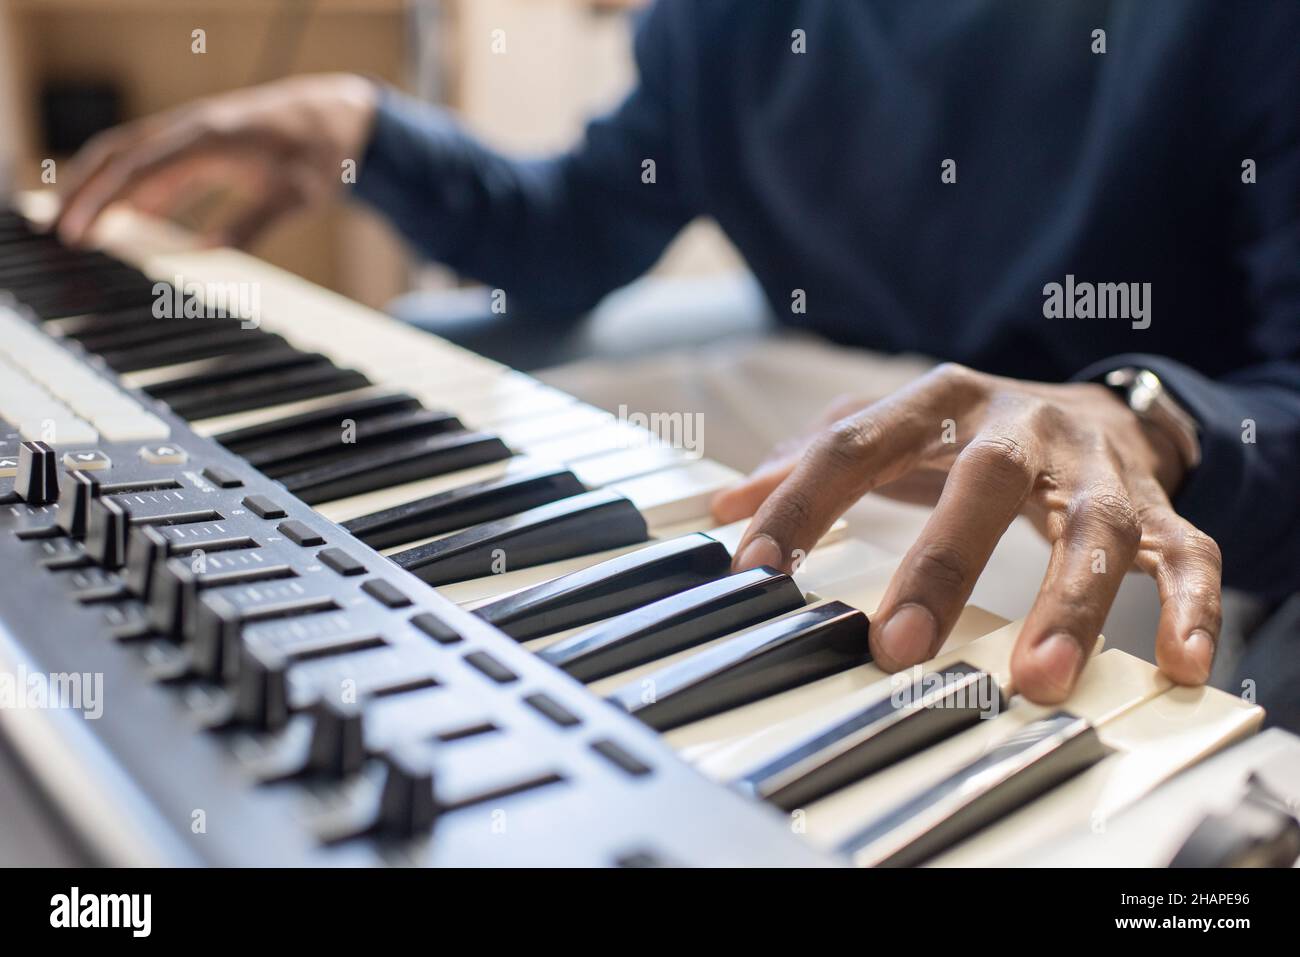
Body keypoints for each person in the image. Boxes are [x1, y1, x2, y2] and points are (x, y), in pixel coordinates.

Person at [53, 1, 1300, 711]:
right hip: (866, 394)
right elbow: (577, 229)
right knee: (397, 368)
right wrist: (360, 127)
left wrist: (1147, 411)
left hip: (1189, 485)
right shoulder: (727, 23)